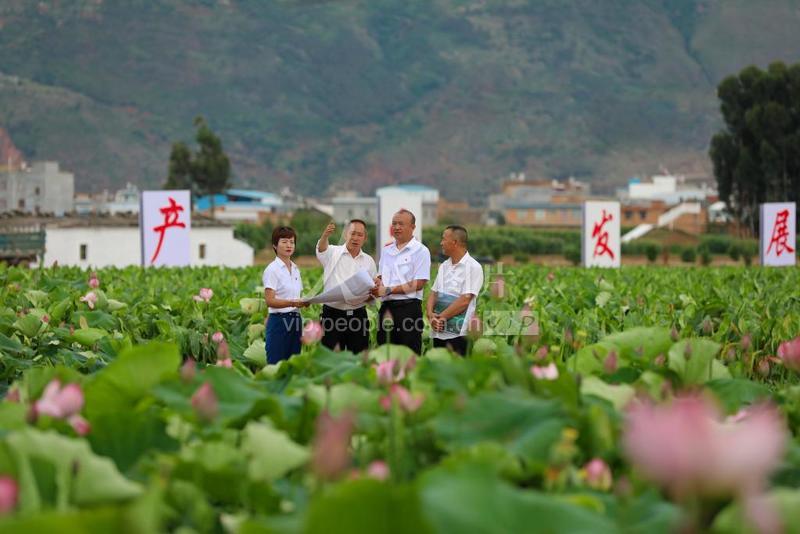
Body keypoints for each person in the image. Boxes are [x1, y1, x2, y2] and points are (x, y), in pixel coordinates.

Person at [372, 209, 431, 354]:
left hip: (409, 309)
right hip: (386, 308)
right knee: (384, 353)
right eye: (394, 224)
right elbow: (381, 277)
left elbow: (419, 283)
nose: (396, 227)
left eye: (401, 224)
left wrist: (388, 290)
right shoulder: (386, 251)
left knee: (409, 355)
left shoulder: (421, 251)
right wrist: (376, 283)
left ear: (412, 227)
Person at [316, 219, 377, 353]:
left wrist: (371, 294)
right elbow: (321, 249)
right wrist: (325, 236)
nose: (355, 238)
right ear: (345, 234)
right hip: (332, 315)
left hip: (358, 316)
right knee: (330, 359)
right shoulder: (332, 252)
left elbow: (372, 290)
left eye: (360, 235)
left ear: (365, 238)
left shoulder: (369, 261)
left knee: (358, 358)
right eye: (352, 233)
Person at [426, 225, 483, 356]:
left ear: (455, 242)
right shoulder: (444, 266)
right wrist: (430, 315)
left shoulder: (474, 267)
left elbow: (465, 300)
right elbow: (434, 293)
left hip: (459, 335)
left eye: (444, 239)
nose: (441, 243)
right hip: (438, 332)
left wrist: (440, 318)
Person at [263, 226, 308, 364]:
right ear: (275, 246)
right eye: (284, 242)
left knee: (293, 364)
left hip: (295, 320)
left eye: (292, 242)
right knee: (276, 364)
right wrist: (293, 303)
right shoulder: (272, 270)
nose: (289, 245)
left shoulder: (295, 269)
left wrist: (305, 302)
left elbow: (296, 296)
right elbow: (270, 301)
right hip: (279, 321)